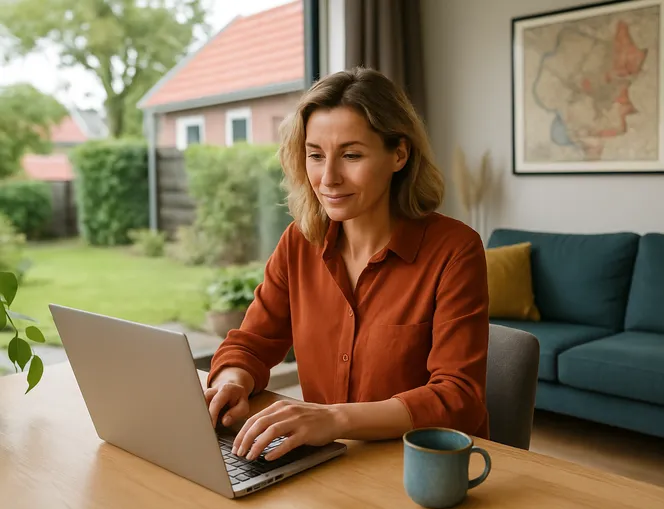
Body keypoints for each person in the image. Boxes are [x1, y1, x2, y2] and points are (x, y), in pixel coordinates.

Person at [204, 67, 490, 463]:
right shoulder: (299, 242)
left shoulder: (455, 250)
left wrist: (334, 419)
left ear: (399, 155)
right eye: (316, 156)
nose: (329, 178)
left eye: (351, 155)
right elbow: (251, 343)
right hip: (328, 464)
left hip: (422, 470)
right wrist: (232, 380)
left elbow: (459, 397)